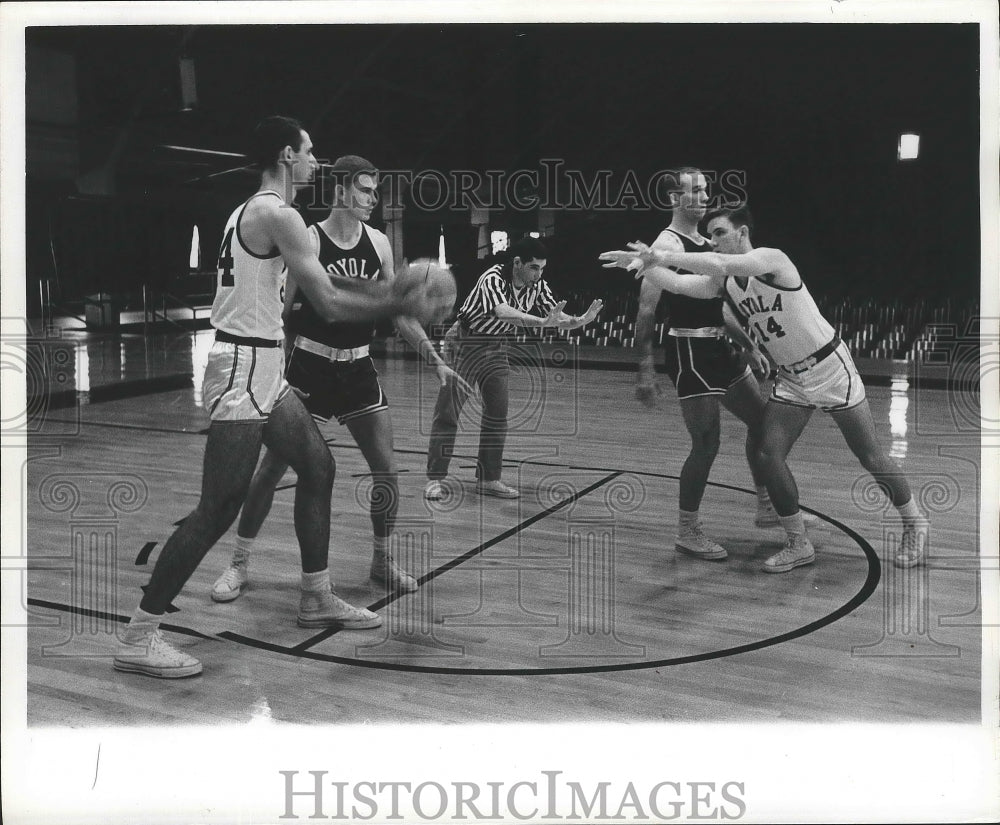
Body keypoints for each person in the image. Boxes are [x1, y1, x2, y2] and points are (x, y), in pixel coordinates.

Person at [113, 117, 439, 678]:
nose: (315, 161)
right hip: (243, 366)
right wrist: (399, 302)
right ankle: (138, 638)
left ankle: (315, 595)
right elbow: (330, 304)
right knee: (218, 507)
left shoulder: (252, 212)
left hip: (264, 364)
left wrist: (391, 296)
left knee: (318, 466)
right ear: (288, 155)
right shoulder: (278, 213)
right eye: (310, 152)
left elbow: (325, 293)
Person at [601, 204, 930, 572]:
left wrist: (659, 254)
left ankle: (914, 521)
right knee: (767, 453)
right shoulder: (724, 282)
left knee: (870, 455)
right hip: (791, 378)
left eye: (720, 233)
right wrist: (646, 265)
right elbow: (679, 284)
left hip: (830, 368)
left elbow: (722, 264)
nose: (713, 241)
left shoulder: (772, 260)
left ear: (742, 233)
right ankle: (797, 541)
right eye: (710, 235)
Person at [210, 155, 469, 602]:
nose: (374, 199)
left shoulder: (381, 244)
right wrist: (276, 371)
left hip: (357, 367)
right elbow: (283, 310)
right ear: (342, 191)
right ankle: (239, 562)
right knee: (271, 469)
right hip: (308, 366)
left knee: (386, 470)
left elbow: (400, 311)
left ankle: (382, 561)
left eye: (375, 191)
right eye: (366, 190)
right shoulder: (306, 238)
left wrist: (435, 358)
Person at [627, 168, 776, 562]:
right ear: (675, 198)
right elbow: (646, 310)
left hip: (719, 348)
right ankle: (687, 530)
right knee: (706, 444)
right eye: (696, 190)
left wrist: (747, 345)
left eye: (706, 188)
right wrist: (645, 368)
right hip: (690, 352)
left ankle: (766, 506)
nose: (705, 195)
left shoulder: (702, 239)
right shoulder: (665, 242)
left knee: (761, 423)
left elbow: (717, 303)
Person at [424, 237, 603, 500]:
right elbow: (504, 312)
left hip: (496, 346)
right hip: (465, 342)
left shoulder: (537, 284)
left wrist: (578, 320)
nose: (539, 274)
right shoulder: (492, 278)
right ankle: (434, 479)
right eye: (534, 268)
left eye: (542, 268)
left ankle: (488, 479)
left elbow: (555, 316)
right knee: (448, 412)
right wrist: (543, 322)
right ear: (517, 263)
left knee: (498, 414)